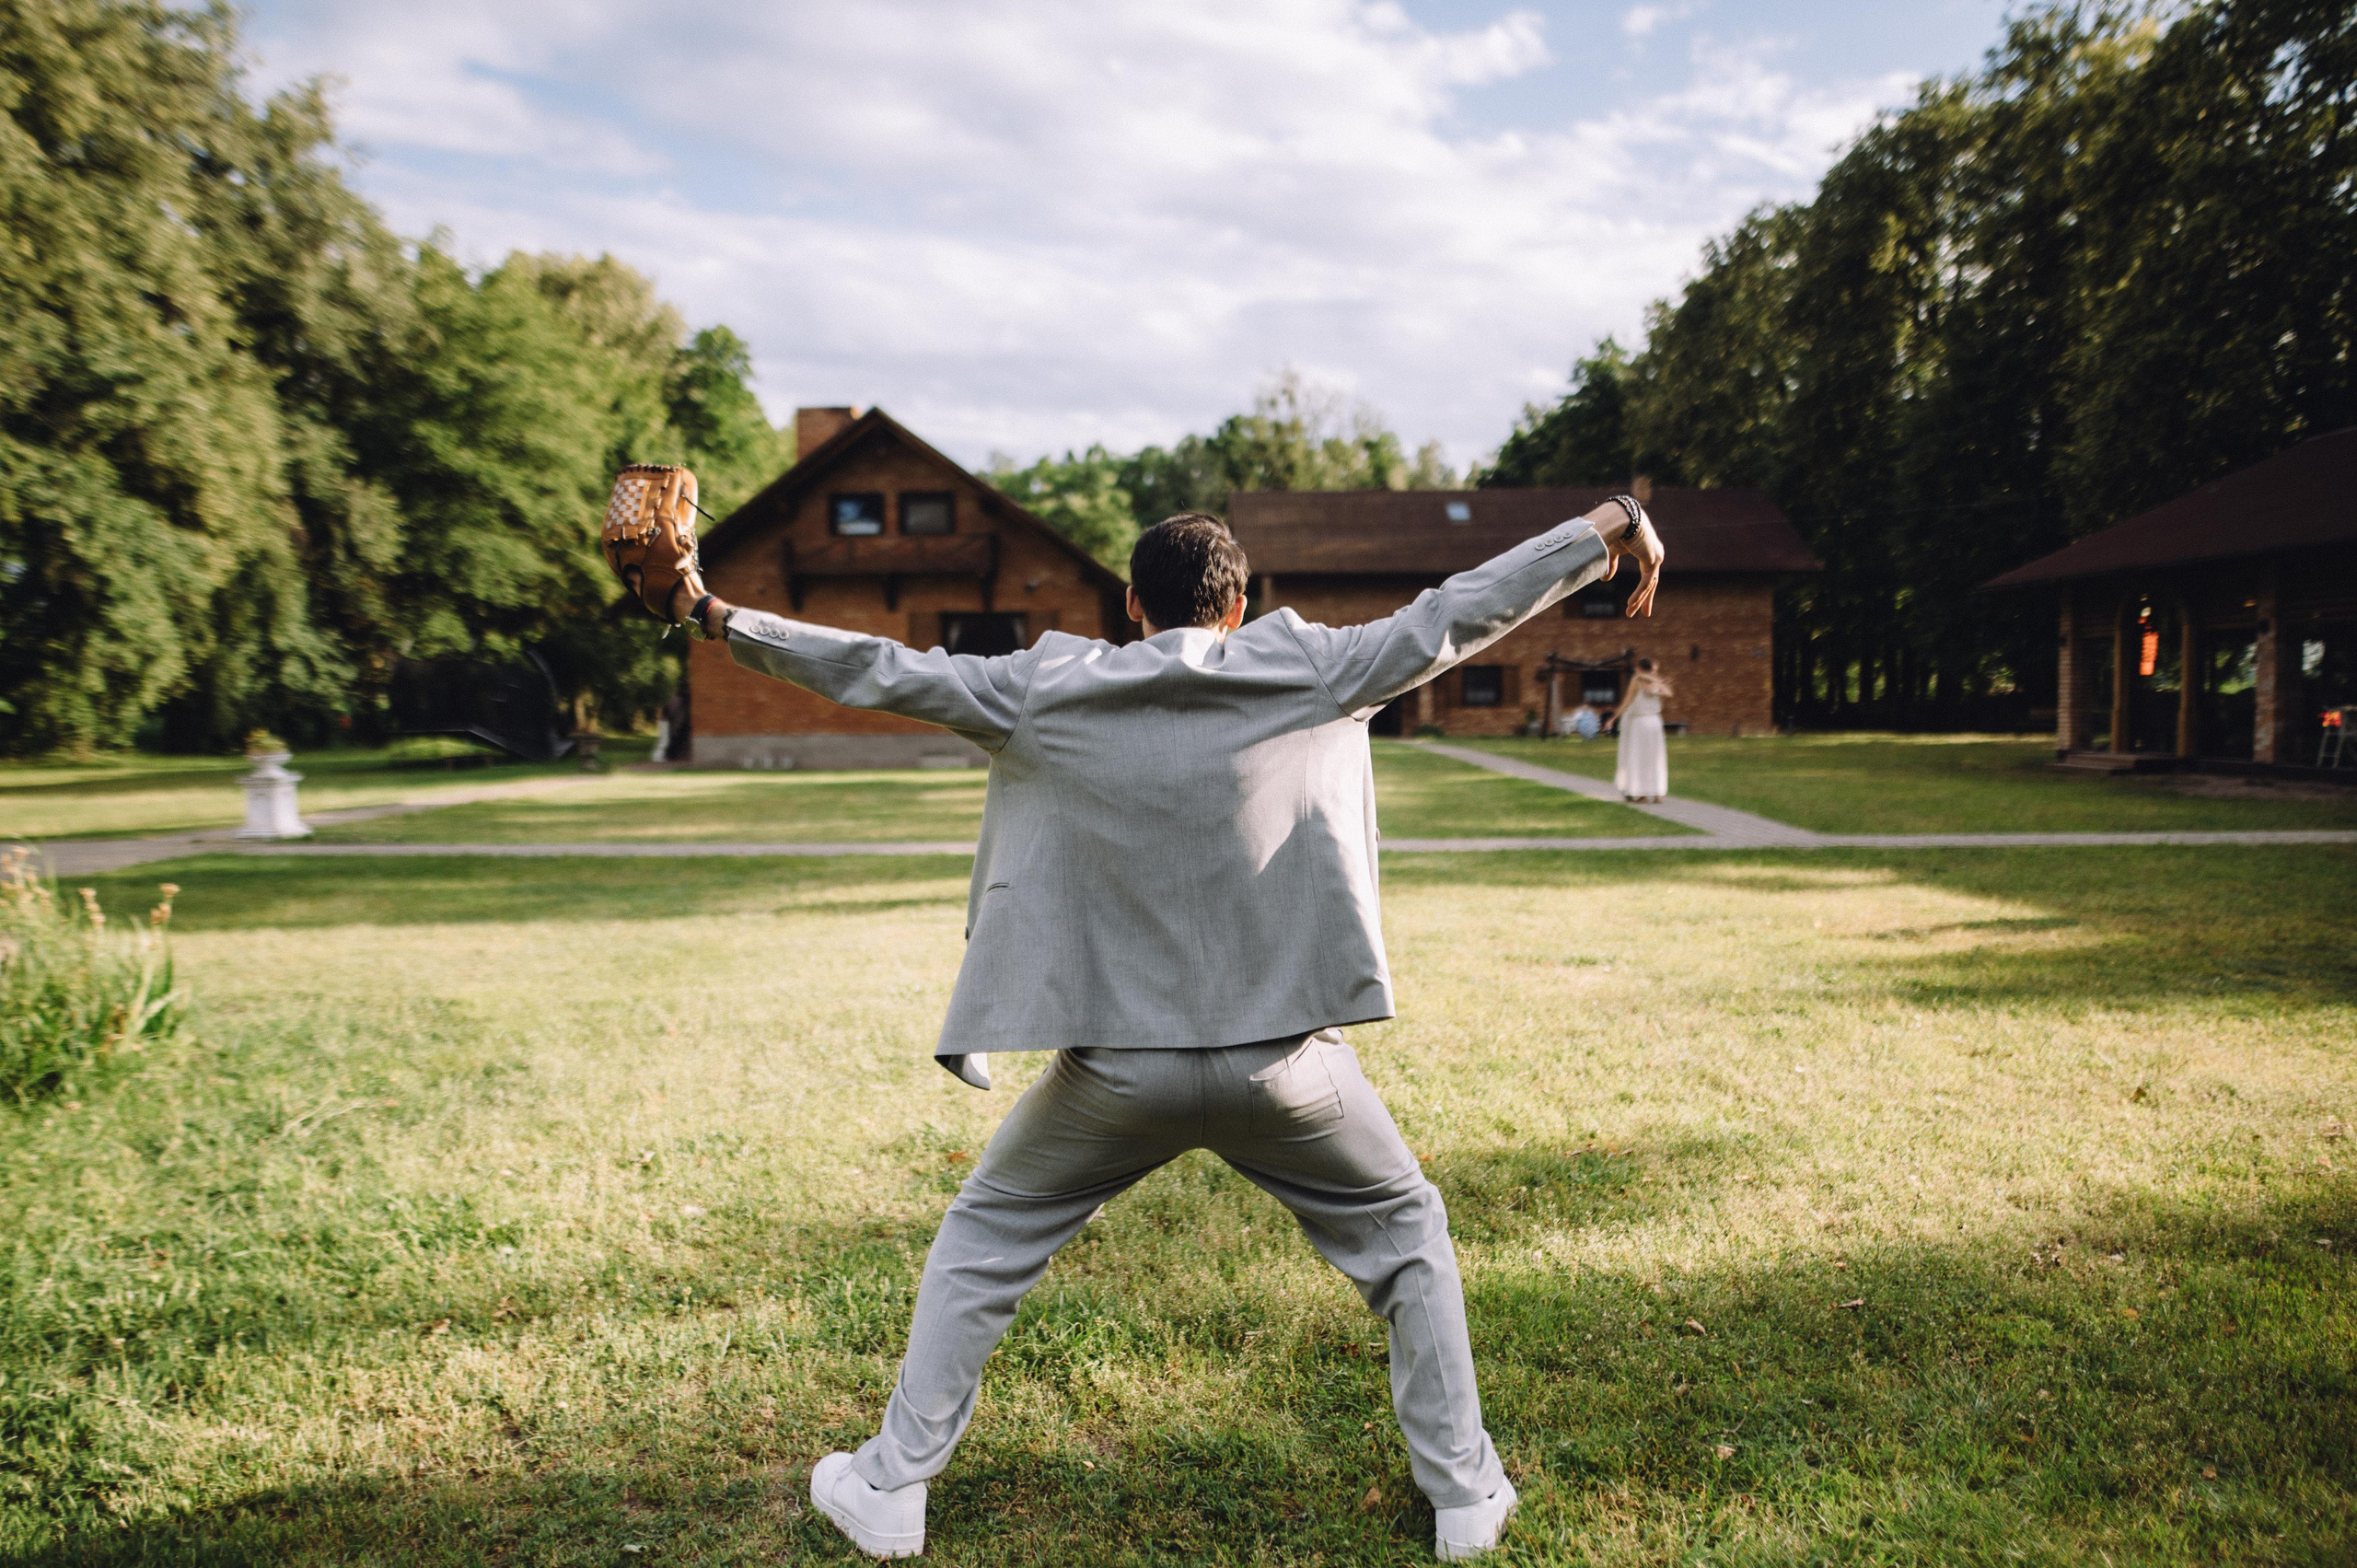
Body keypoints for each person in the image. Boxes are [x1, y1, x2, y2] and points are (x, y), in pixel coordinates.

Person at [672, 499, 1664, 1561]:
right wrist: (1608, 526)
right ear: (1240, 606)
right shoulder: (1318, 666)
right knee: (1406, 1233)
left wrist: (711, 613)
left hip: (1111, 1076)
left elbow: (879, 666)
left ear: (1131, 605)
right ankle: (1465, 1497)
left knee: (984, 1237)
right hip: (1288, 1068)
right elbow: (1458, 613)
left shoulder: (1043, 687)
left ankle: (890, 1486)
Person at [1608, 657, 1673, 802]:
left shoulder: (1637, 680)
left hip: (1641, 722)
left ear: (1639, 668)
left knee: (1640, 757)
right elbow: (1669, 692)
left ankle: (1642, 793)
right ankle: (1657, 793)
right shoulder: (1656, 680)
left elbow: (1627, 700)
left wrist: (1614, 717)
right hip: (1655, 722)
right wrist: (1658, 687)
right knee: (1655, 757)